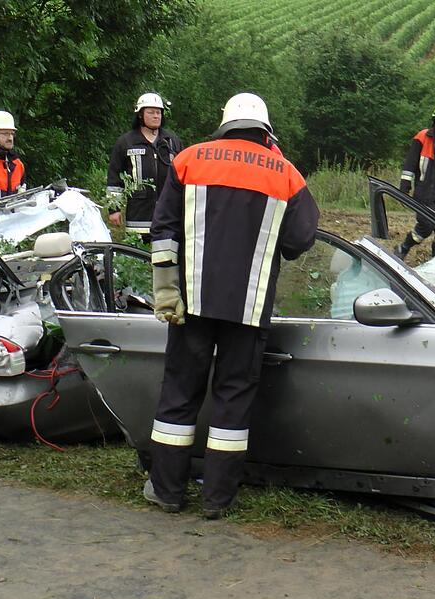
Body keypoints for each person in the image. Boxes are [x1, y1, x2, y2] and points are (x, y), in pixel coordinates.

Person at [146, 92, 319, 519]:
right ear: (265, 130)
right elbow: (300, 239)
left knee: (179, 393)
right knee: (233, 398)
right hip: (249, 307)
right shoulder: (286, 173)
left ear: (225, 124)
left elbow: (163, 229)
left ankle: (167, 491)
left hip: (191, 303)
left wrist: (165, 289)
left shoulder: (188, 159)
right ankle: (217, 500)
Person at [106, 93, 184, 238]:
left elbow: (183, 175)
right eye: (151, 112)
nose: (156, 116)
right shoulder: (126, 142)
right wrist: (114, 209)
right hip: (138, 215)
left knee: (167, 250)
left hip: (168, 215)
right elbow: (114, 178)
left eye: (158, 112)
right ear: (140, 115)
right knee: (137, 251)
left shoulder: (172, 141)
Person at [395, 103, 435, 260]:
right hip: (426, 190)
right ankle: (403, 247)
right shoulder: (422, 137)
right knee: (427, 225)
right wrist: (405, 185)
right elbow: (410, 163)